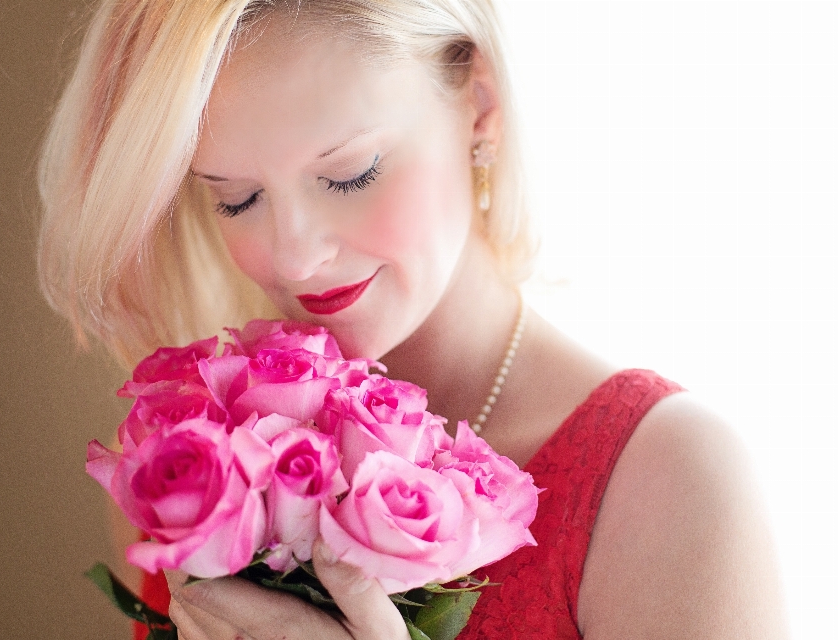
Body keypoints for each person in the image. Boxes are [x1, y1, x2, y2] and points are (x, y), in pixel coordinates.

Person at [38, 1, 789, 638]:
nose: (295, 258)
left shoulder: (670, 481)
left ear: (481, 108)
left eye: (351, 172)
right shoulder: (200, 473)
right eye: (236, 197)